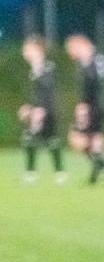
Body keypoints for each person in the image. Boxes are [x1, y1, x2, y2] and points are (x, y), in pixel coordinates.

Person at [64, 34, 104, 184]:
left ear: (80, 45)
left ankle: (103, 164)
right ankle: (97, 173)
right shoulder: (92, 60)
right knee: (95, 138)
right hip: (100, 104)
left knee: (76, 138)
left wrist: (84, 105)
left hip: (94, 105)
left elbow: (94, 84)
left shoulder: (93, 60)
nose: (71, 54)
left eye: (71, 49)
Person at [18, 36, 63, 182]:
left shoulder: (48, 67)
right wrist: (26, 106)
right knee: (29, 138)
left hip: (47, 110)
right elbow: (31, 92)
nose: (24, 52)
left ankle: (59, 172)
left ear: (37, 49)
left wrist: (41, 109)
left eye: (27, 49)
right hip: (35, 110)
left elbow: (48, 90)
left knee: (51, 139)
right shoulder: (30, 69)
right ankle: (31, 172)